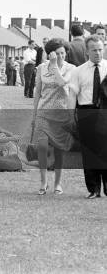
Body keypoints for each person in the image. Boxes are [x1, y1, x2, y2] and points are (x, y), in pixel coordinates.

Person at [31, 38, 77, 195]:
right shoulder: (41, 68)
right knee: (42, 147)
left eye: (63, 53)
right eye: (57, 54)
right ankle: (43, 182)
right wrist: (34, 113)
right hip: (44, 112)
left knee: (59, 150)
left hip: (61, 113)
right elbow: (37, 92)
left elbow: (61, 83)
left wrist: (55, 66)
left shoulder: (71, 68)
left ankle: (57, 183)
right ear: (50, 54)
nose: (60, 56)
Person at [68, 35, 107, 199]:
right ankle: (93, 189)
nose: (98, 53)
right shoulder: (78, 71)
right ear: (87, 51)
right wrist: (70, 115)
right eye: (94, 50)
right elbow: (72, 95)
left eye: (100, 49)